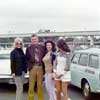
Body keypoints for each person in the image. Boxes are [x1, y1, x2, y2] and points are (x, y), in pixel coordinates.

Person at [26, 34, 45, 100]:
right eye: (32, 39)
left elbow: (45, 57)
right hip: (32, 68)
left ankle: (40, 99)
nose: (34, 40)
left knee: (40, 85)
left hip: (40, 68)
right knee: (31, 85)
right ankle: (31, 99)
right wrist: (29, 67)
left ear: (37, 39)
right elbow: (27, 58)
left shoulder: (42, 47)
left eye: (35, 39)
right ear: (31, 40)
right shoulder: (28, 48)